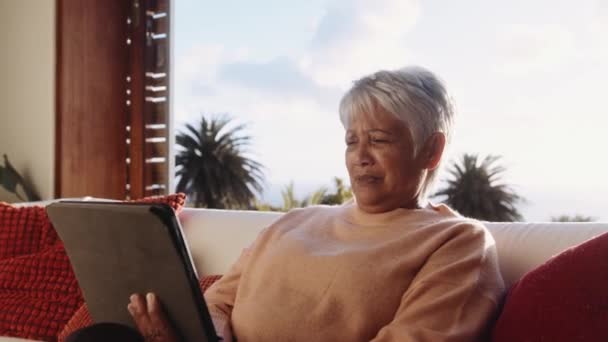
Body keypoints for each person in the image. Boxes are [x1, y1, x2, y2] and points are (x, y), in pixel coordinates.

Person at [71, 66, 505, 341]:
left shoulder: (457, 243)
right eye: (352, 140)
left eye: (379, 139)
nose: (360, 155)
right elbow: (217, 304)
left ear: (431, 150)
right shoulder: (295, 221)